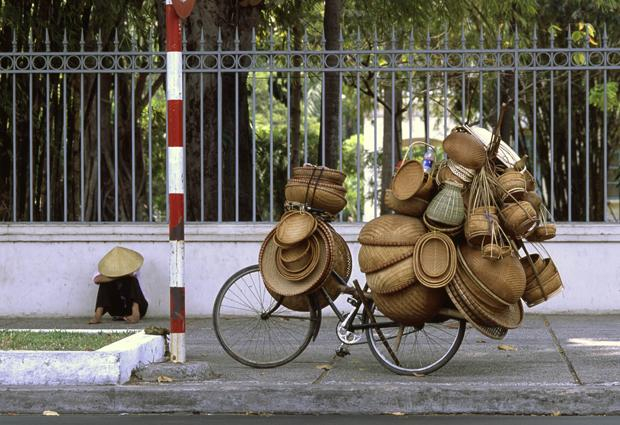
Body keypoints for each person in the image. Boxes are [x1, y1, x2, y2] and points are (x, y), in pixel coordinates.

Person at [88, 246, 149, 325]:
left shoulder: (132, 267)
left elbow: (131, 274)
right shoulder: (108, 267)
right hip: (117, 309)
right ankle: (98, 314)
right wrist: (116, 275)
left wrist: (121, 274)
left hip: (139, 306)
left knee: (132, 280)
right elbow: (97, 279)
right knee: (104, 284)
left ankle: (135, 314)